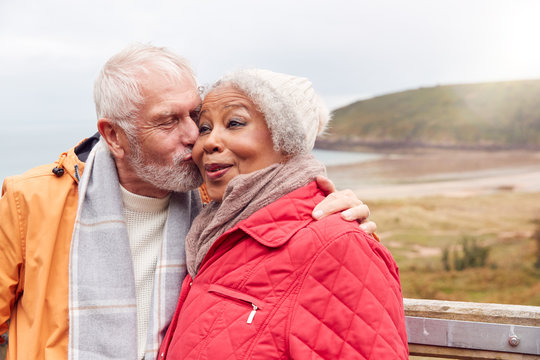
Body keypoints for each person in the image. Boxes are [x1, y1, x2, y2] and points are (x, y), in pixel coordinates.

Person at [0, 44, 375, 360]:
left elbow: (282, 198)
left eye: (195, 116)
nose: (194, 136)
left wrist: (334, 215)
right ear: (113, 136)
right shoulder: (28, 201)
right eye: (168, 121)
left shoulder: (219, 205)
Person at [158, 69, 409, 359]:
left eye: (235, 122)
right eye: (204, 128)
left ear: (287, 141)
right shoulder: (212, 232)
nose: (208, 143)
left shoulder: (337, 245)